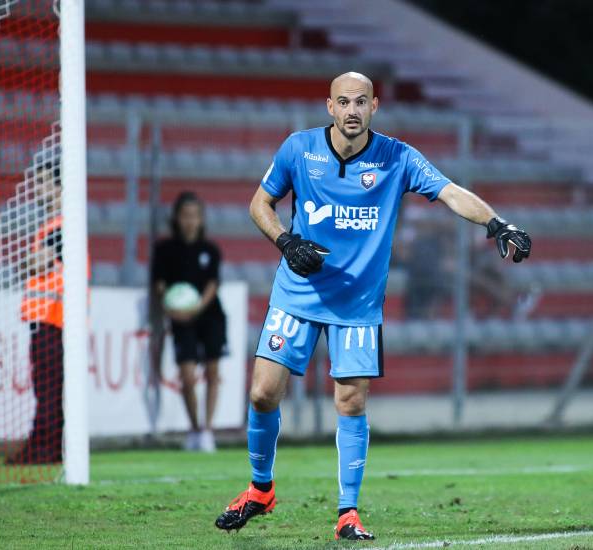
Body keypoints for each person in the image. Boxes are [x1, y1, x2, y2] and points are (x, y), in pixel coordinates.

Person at [214, 72, 531, 540]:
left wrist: (498, 223)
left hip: (357, 304)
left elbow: (450, 192)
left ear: (374, 107)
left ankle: (347, 513)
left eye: (361, 102)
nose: (352, 110)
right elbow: (259, 204)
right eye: (343, 102)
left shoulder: (397, 157)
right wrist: (286, 241)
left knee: (351, 400)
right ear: (329, 107)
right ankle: (261, 490)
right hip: (297, 293)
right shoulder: (299, 149)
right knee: (263, 392)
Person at [150, 192, 226, 453]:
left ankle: (208, 429)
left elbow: (212, 285)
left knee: (213, 373)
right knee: (187, 375)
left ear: (201, 219)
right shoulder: (164, 250)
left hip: (210, 315)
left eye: (194, 216)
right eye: (185, 215)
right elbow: (159, 284)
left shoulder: (210, 250)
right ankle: (194, 428)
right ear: (176, 218)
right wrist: (170, 306)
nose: (190, 221)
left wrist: (197, 307)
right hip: (181, 318)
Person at [9, 160, 64, 465]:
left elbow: (35, 264)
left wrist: (26, 261)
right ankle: (50, 446)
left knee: (47, 386)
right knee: (49, 387)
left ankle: (43, 448)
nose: (36, 190)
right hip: (48, 317)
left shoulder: (58, 228)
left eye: (43, 183)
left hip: (51, 317)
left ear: (59, 187)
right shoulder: (55, 227)